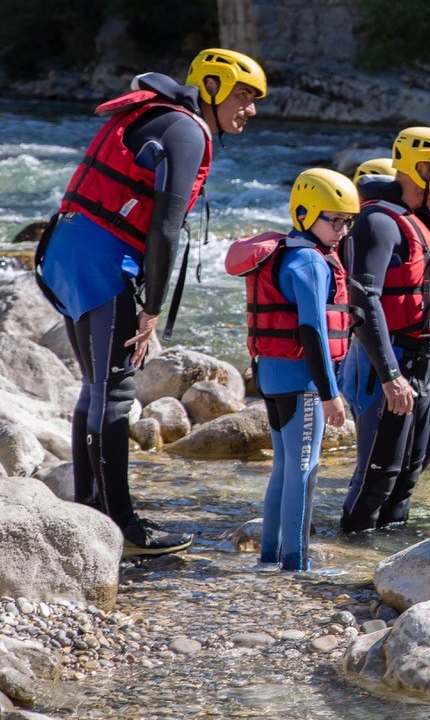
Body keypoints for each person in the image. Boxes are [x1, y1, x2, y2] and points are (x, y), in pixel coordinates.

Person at [35, 47, 267, 557]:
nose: (250, 109)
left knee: (96, 386)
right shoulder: (186, 131)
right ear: (210, 88)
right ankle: (121, 524)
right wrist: (153, 307)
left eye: (255, 99)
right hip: (100, 262)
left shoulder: (162, 117)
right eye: (243, 96)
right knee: (115, 391)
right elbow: (164, 227)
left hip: (68, 250)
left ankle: (92, 510)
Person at [225, 169, 358, 571]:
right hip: (302, 382)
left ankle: (270, 558)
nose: (341, 229)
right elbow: (314, 331)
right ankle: (296, 566)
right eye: (333, 219)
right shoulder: (311, 264)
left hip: (270, 375)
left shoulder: (286, 253)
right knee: (305, 472)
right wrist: (330, 392)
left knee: (284, 468)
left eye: (346, 220)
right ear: (304, 214)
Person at [339, 126, 430, 534]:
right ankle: (350, 556)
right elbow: (362, 300)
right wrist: (391, 375)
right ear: (421, 167)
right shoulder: (378, 222)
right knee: (380, 476)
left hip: (427, 363)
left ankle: (387, 562)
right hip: (392, 362)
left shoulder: (428, 223)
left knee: (412, 470)